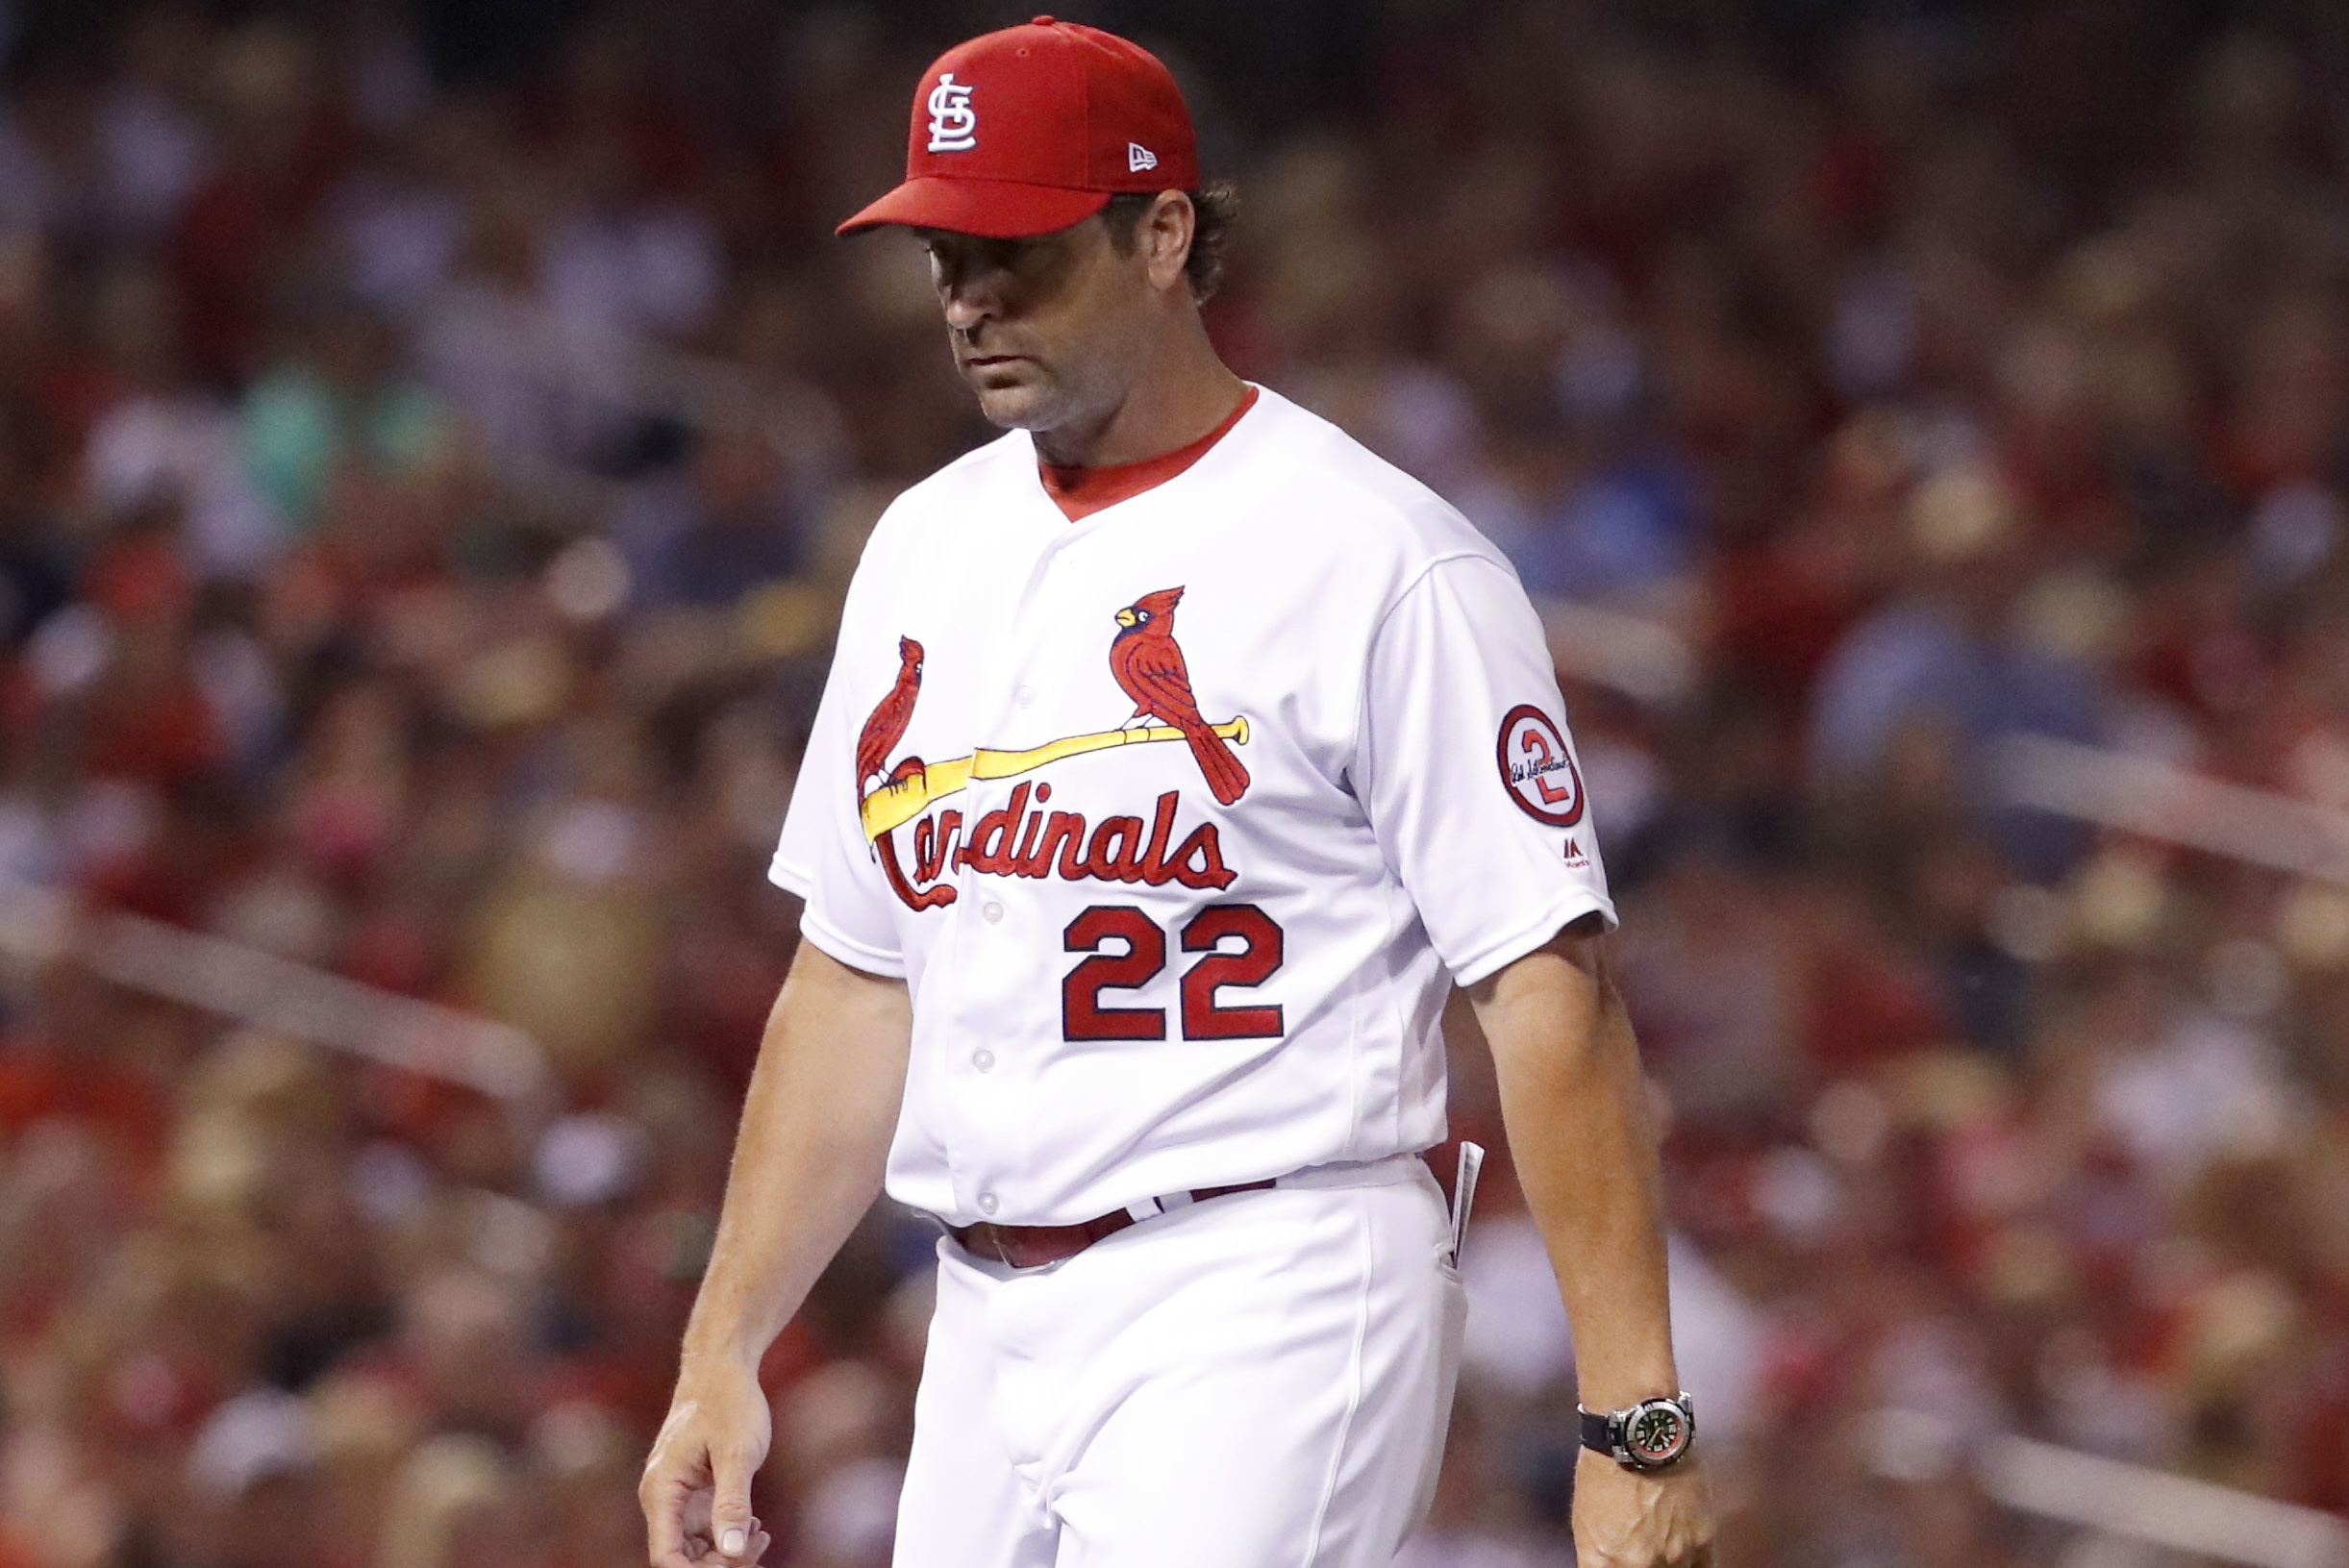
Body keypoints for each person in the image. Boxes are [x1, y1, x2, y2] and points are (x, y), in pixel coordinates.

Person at [639, 18, 1716, 1568]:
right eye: (947, 252)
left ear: (1162, 235)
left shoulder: (1376, 558)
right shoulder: (923, 547)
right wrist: (723, 1345)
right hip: (989, 1310)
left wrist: (1635, 1419)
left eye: (1019, 249)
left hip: (1271, 1272)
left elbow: (1553, 990)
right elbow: (856, 979)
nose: (971, 297)